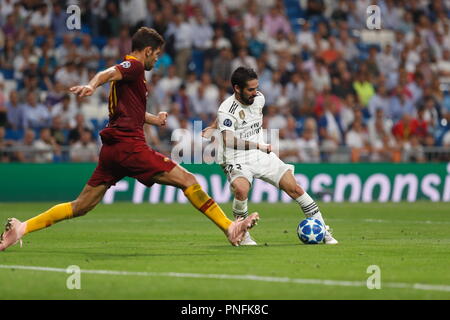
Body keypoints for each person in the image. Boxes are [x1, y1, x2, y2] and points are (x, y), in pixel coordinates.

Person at [0, 28, 259, 252]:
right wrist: (92, 85)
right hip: (129, 147)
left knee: (80, 206)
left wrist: (153, 120)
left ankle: (21, 228)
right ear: (147, 50)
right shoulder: (133, 66)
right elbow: (107, 73)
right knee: (189, 180)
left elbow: (128, 110)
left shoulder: (134, 77)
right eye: (156, 55)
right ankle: (229, 227)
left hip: (112, 150)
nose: (156, 60)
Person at [202, 67, 337, 245]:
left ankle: (323, 229)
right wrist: (257, 144)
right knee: (241, 190)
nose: (255, 92)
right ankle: (242, 234)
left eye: (256, 87)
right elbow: (228, 139)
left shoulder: (259, 99)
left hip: (261, 154)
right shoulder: (226, 108)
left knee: (295, 188)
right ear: (237, 88)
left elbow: (222, 119)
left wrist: (213, 126)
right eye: (250, 89)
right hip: (236, 156)